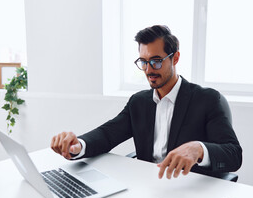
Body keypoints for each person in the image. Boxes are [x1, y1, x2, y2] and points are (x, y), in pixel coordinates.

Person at [50, 25, 242, 179]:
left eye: (156, 61)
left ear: (175, 58)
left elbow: (233, 155)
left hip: (190, 191)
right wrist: (78, 145)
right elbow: (108, 134)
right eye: (143, 61)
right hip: (146, 186)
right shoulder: (139, 102)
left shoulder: (207, 99)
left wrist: (199, 149)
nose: (149, 70)